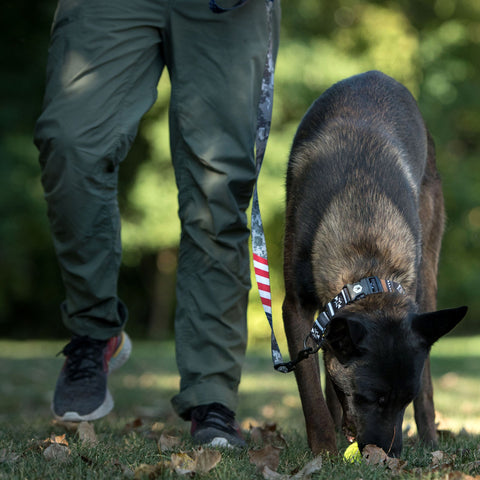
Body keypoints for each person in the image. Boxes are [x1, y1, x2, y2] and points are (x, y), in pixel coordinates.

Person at [34, 0, 281, 448]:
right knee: (71, 145)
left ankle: (212, 398)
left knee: (218, 190)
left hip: (224, 11)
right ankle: (94, 329)